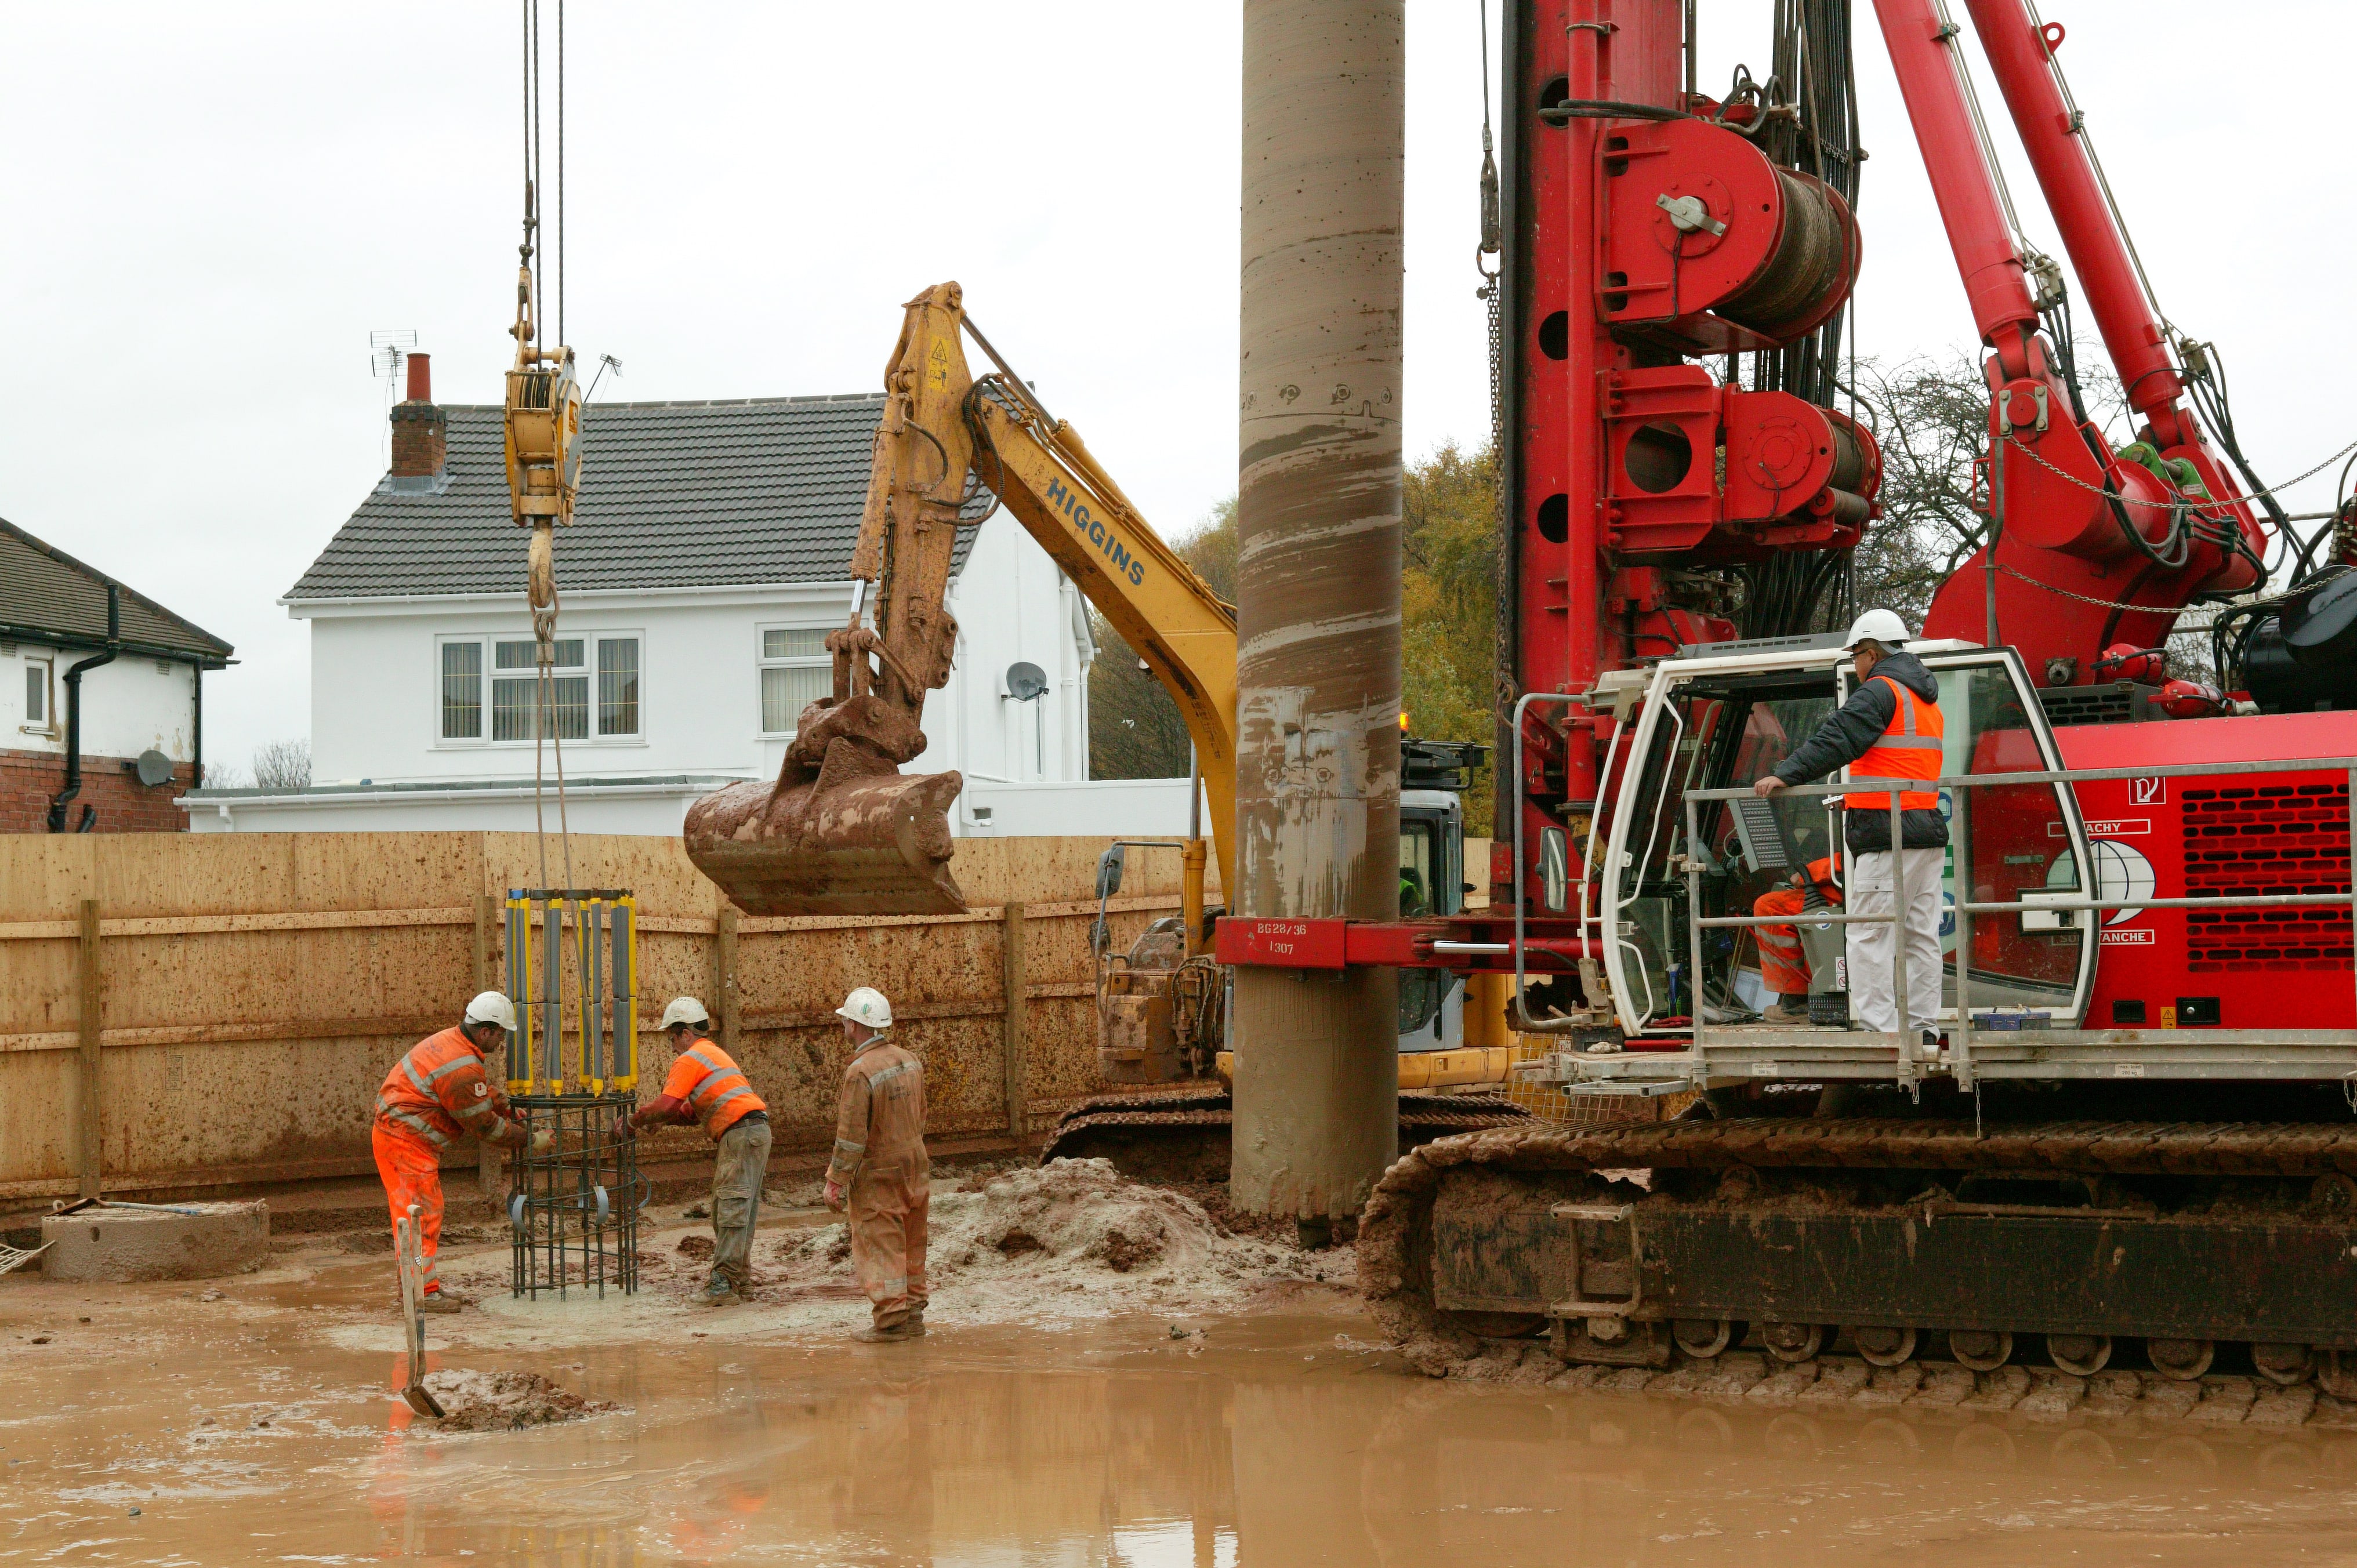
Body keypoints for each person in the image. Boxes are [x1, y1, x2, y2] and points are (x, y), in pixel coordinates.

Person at [1753, 608, 1948, 1051]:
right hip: (1924, 832)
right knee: (1919, 933)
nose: (1856, 665)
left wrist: (1787, 773)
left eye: (1857, 655)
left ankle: (1880, 1031)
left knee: (1867, 932)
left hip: (1887, 836)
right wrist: (1855, 797)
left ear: (1873, 652)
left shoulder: (1880, 689)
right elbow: (1903, 767)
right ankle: (1923, 1026)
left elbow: (1837, 737)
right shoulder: (1924, 696)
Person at [372, 991, 538, 1313]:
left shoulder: (454, 1044)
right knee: (420, 1216)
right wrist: (529, 1139)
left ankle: (420, 1286)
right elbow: (484, 1127)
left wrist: (505, 1106)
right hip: (405, 1144)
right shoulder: (461, 1063)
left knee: (418, 1215)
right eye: (501, 1034)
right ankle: (421, 1292)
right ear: (486, 1031)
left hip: (401, 1139)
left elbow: (473, 1090)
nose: (501, 1042)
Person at [616, 997, 770, 1307]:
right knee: (740, 1211)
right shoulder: (715, 1054)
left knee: (730, 1210)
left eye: (672, 1038)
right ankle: (739, 1283)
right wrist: (661, 1120)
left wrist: (634, 1121)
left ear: (685, 1032)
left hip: (740, 1134)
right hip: (753, 1133)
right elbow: (689, 1113)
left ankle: (723, 1287)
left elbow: (667, 1104)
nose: (672, 1047)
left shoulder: (691, 1057)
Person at [822, 987, 930, 1342]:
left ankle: (892, 1321)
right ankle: (913, 1314)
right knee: (912, 1239)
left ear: (854, 1025)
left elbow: (851, 1135)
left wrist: (836, 1180)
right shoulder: (910, 1059)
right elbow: (922, 1115)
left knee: (881, 1242)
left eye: (846, 1021)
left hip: (880, 1170)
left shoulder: (860, 1071)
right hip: (915, 1161)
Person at [1752, 855, 1842, 1023]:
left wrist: (1807, 874)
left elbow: (1848, 858)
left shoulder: (1876, 831)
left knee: (1769, 907)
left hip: (1846, 890)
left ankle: (1797, 1000)